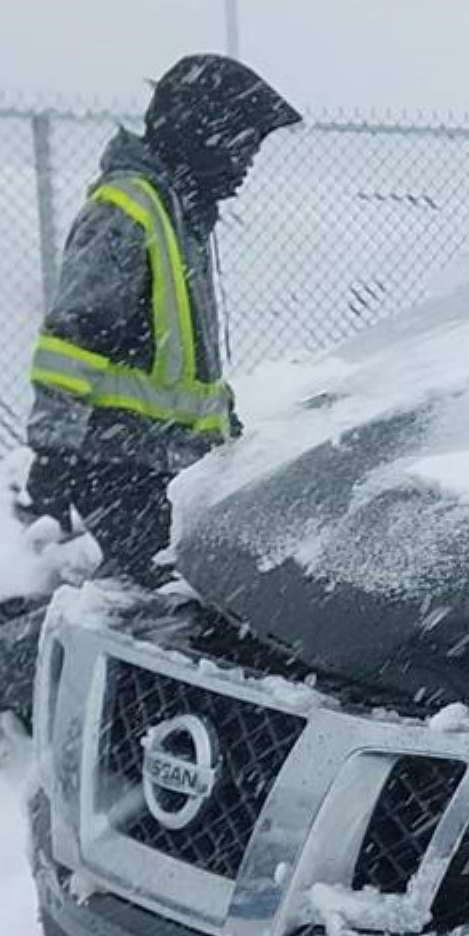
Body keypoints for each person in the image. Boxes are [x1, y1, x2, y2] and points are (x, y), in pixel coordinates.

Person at [25, 52, 303, 579]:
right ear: (199, 131)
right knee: (164, 597)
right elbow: (72, 337)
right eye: (242, 144)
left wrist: (225, 429)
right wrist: (55, 450)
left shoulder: (181, 214)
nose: (246, 163)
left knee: (178, 596)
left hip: (170, 463)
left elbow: (176, 359)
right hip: (119, 465)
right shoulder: (128, 209)